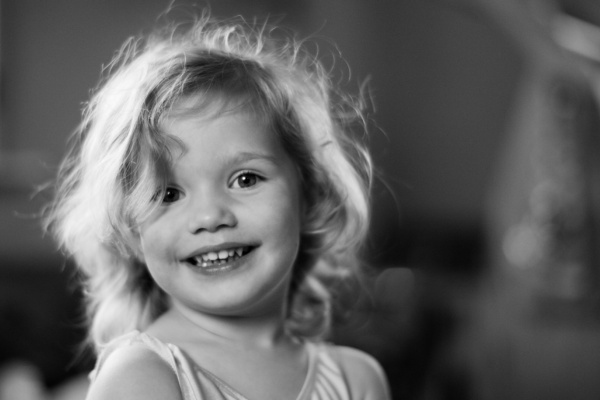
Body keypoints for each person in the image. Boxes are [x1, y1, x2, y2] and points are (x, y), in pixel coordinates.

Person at [44, 13, 390, 400]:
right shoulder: (142, 378)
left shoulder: (357, 380)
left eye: (245, 179)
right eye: (169, 194)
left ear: (310, 195)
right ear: (131, 232)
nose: (210, 217)